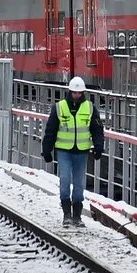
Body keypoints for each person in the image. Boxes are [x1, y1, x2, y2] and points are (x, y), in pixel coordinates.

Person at [43, 76, 103, 227]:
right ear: (70, 92)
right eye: (74, 93)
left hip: (81, 152)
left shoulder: (90, 108)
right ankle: (67, 215)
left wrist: (98, 147)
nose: (77, 95)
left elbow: (97, 130)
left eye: (79, 93)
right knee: (64, 181)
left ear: (83, 92)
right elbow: (50, 130)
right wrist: (46, 150)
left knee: (79, 185)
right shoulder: (59, 107)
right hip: (64, 151)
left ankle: (77, 216)